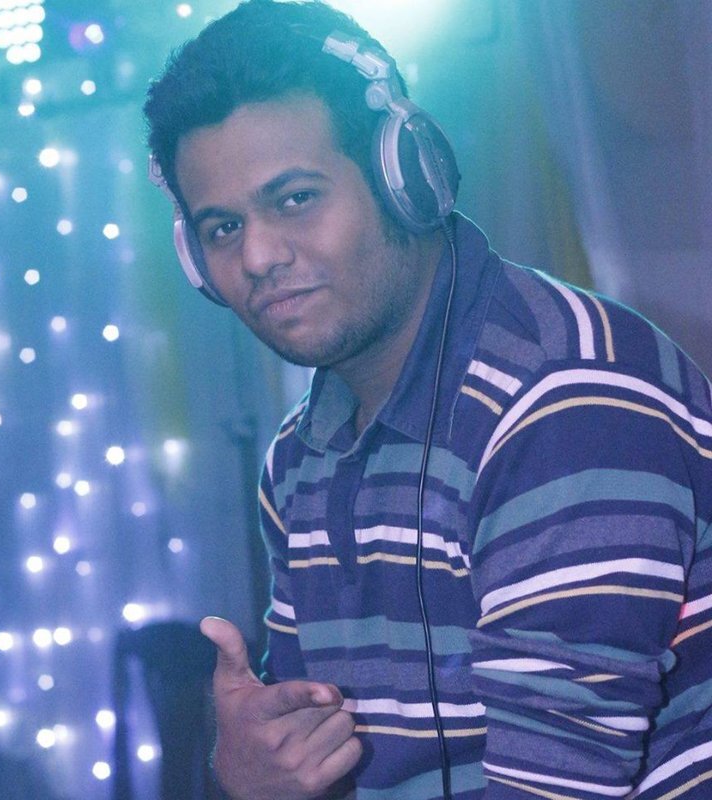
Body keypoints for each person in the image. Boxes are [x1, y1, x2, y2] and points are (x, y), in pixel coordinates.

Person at [143, 2, 712, 798]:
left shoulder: (565, 405)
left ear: (405, 177)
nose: (259, 254)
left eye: (295, 198)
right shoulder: (298, 461)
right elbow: (316, 765)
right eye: (222, 227)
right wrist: (252, 773)